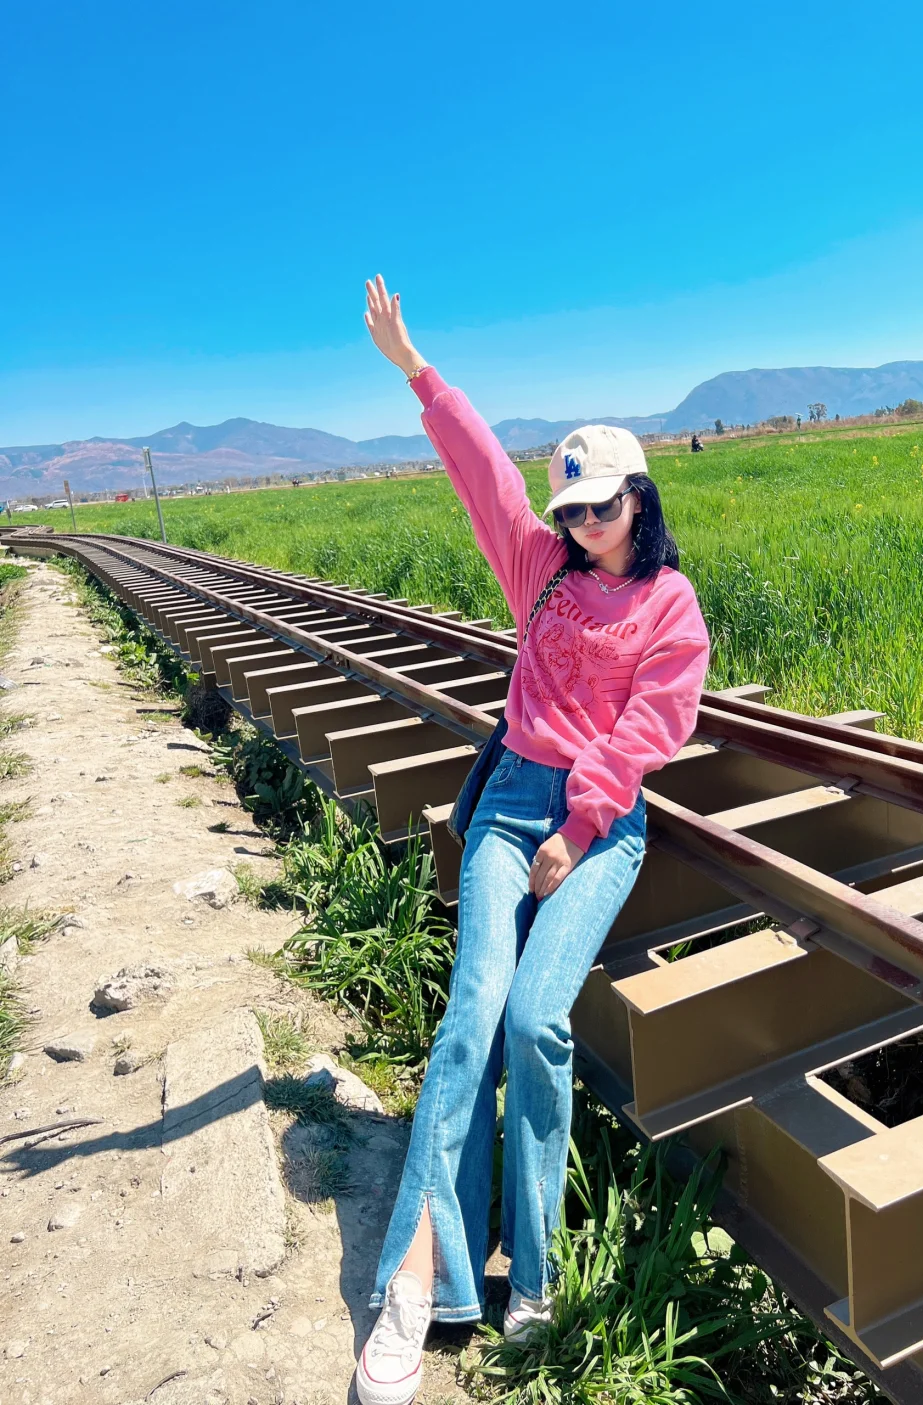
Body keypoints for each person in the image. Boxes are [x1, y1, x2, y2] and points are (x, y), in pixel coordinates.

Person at [355, 275, 710, 1405]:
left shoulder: (670, 606)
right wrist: (419, 371)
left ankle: (536, 1281)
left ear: (641, 502)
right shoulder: (540, 572)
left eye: (603, 507)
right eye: (572, 510)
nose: (584, 524)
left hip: (601, 829)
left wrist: (584, 824)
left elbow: (655, 724)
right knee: (470, 1020)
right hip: (511, 803)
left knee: (535, 1019)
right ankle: (416, 1285)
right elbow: (482, 472)